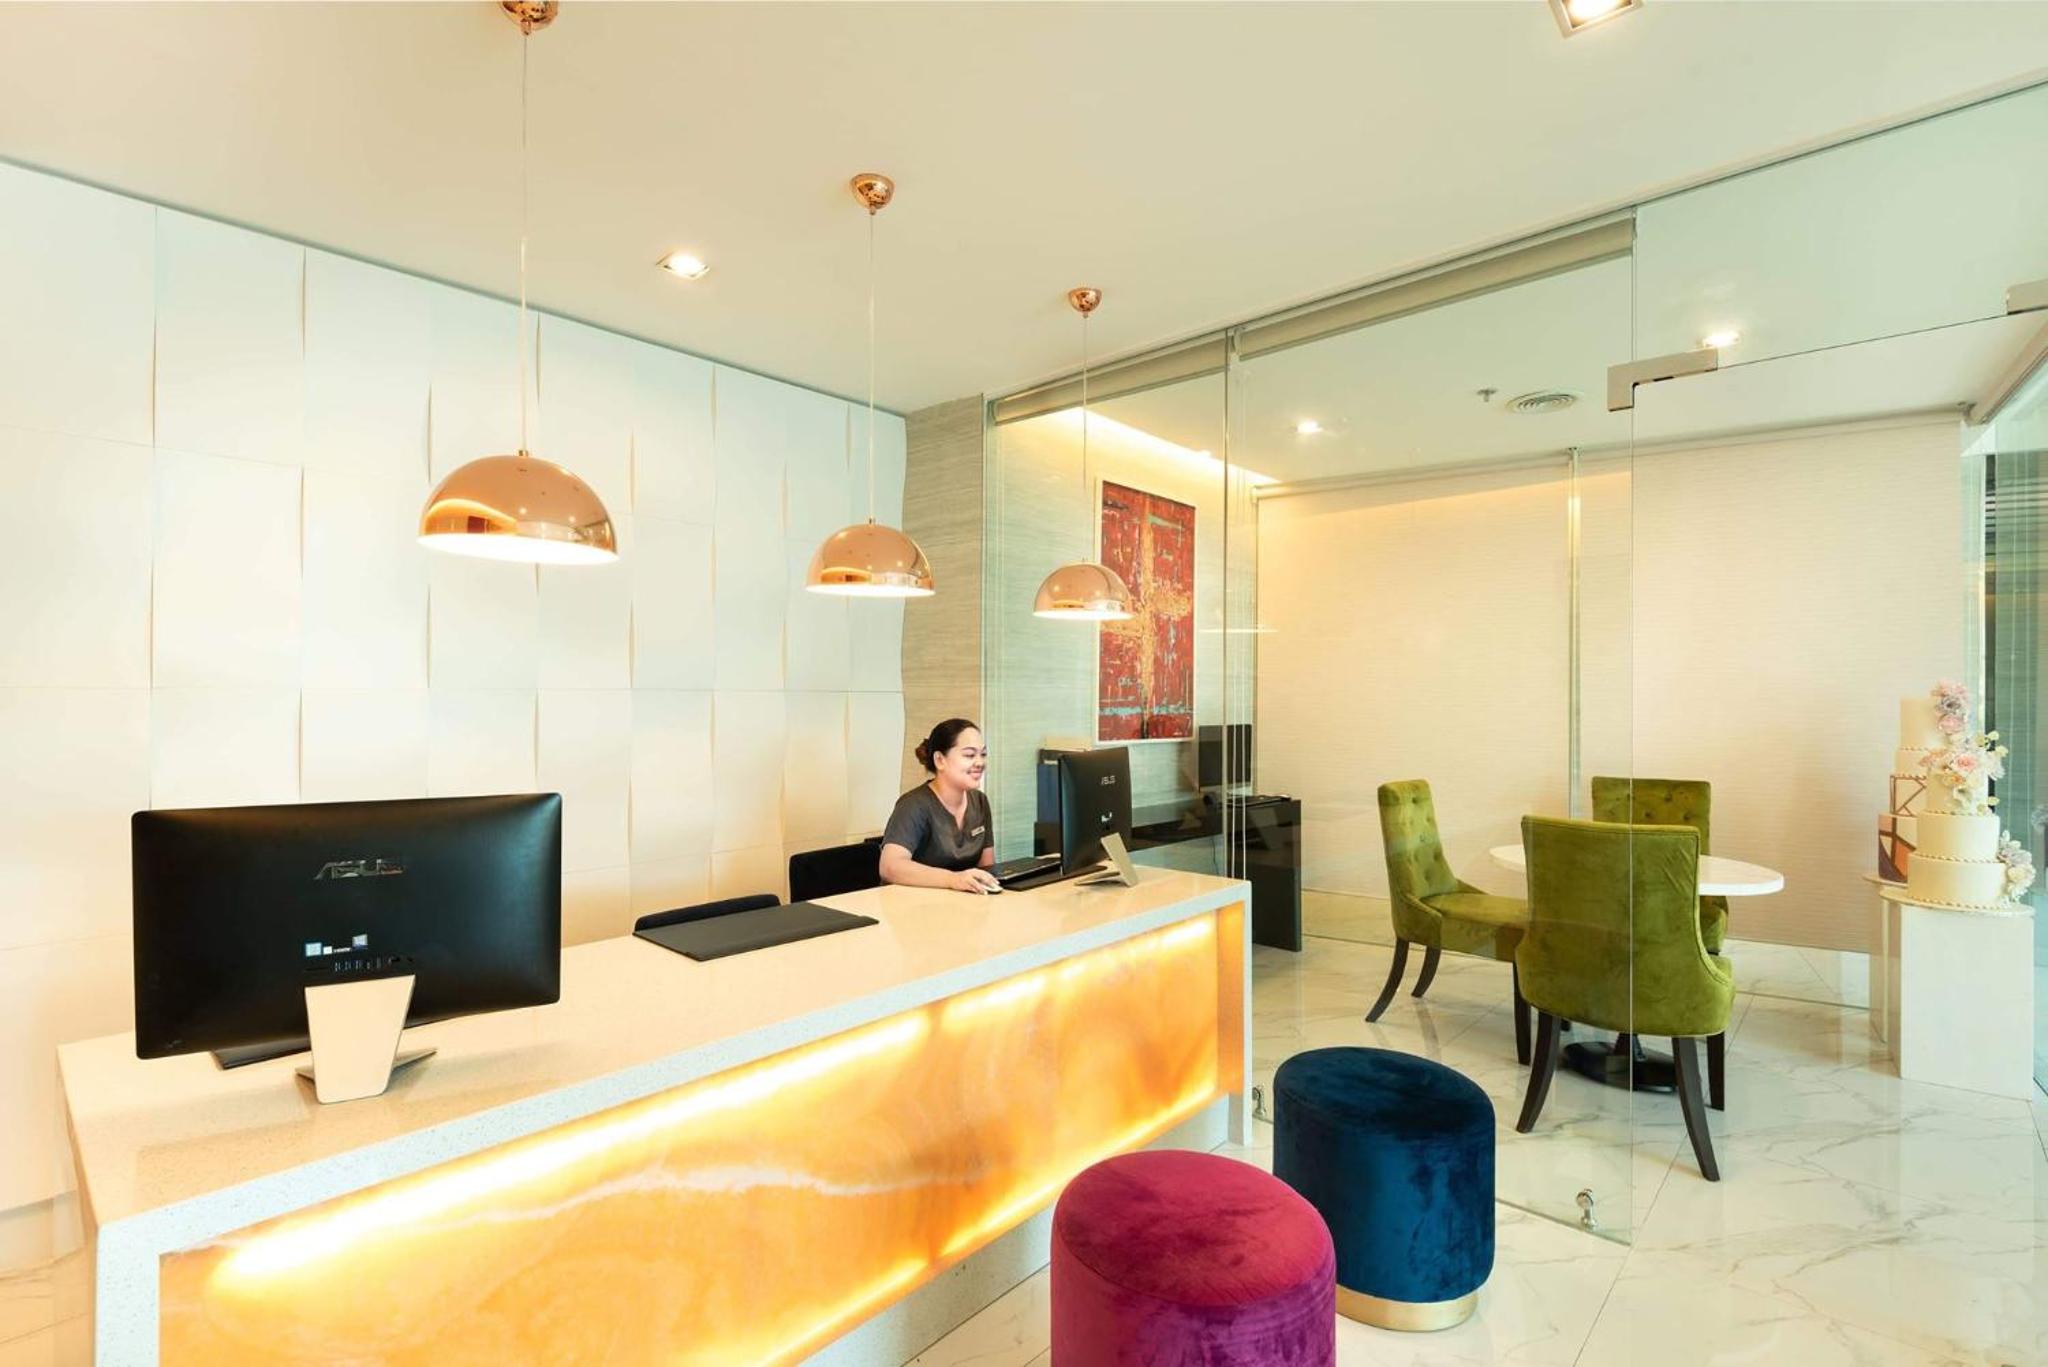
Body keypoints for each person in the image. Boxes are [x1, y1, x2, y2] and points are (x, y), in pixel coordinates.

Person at [880, 718, 1001, 893]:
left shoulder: (980, 801)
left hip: (964, 903)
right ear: (940, 760)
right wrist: (953, 879)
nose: (980, 762)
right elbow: (890, 867)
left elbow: (987, 869)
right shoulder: (913, 805)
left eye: (983, 754)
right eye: (969, 755)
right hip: (914, 904)